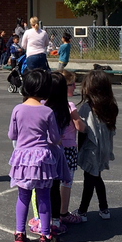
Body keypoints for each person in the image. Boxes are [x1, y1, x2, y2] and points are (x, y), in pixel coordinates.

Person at [8, 69, 62, 242]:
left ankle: (19, 232)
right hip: (41, 159)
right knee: (44, 196)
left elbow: (12, 134)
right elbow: (54, 138)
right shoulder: (47, 111)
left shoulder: (17, 109)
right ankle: (46, 235)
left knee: (23, 195)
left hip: (22, 158)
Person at [39, 71, 84, 232]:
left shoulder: (43, 106)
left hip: (49, 149)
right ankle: (62, 212)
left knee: (48, 183)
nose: (74, 87)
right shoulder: (69, 106)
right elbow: (80, 127)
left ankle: (43, 215)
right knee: (66, 182)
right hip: (68, 148)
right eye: (71, 84)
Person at [75, 68, 117, 223]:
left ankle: (82, 211)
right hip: (104, 148)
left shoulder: (88, 107)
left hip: (92, 149)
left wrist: (77, 150)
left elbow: (83, 131)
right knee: (96, 177)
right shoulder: (110, 106)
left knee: (90, 179)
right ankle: (104, 208)